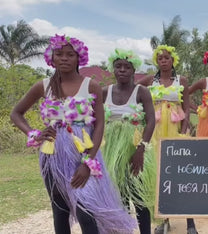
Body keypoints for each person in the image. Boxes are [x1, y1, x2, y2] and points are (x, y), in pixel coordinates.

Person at [10, 34, 137, 234]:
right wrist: (34, 134)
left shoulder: (91, 85)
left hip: (83, 155)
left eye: (70, 54)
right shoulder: (43, 86)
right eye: (59, 54)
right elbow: (16, 113)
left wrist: (87, 163)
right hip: (52, 156)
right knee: (60, 211)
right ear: (51, 57)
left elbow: (99, 124)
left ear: (80, 58)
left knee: (86, 211)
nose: (64, 58)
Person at [139, 45, 195, 234]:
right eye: (160, 58)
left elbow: (186, 107)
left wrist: (185, 129)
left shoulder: (182, 80)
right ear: (157, 61)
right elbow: (135, 96)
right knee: (158, 174)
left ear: (173, 61)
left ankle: (190, 221)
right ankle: (163, 219)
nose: (163, 61)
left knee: (181, 172)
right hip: (154, 132)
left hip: (174, 129)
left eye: (167, 58)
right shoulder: (149, 81)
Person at [102, 48, 156, 234]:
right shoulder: (104, 92)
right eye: (118, 66)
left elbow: (150, 121)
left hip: (136, 148)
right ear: (113, 69)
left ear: (134, 70)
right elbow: (96, 121)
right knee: (120, 196)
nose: (122, 70)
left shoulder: (142, 92)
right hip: (111, 150)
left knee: (139, 196)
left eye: (127, 66)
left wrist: (141, 149)